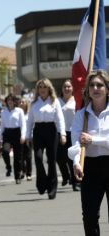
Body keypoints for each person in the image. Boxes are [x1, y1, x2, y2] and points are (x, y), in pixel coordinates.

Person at [68, 70, 109, 235]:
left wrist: (94, 140)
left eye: (100, 85)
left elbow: (89, 140)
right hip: (90, 168)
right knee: (90, 216)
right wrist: (77, 162)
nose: (95, 88)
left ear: (107, 89)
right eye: (92, 85)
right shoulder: (81, 115)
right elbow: (76, 143)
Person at [26, 78, 66, 200]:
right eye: (40, 87)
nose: (42, 89)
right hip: (38, 131)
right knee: (38, 158)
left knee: (52, 160)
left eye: (45, 87)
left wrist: (62, 134)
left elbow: (60, 119)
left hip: (51, 131)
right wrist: (27, 136)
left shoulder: (55, 102)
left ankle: (52, 188)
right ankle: (42, 183)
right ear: (37, 90)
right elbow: (29, 121)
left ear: (49, 89)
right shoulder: (33, 104)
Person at [57, 80, 79, 191]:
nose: (67, 89)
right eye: (65, 87)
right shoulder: (57, 101)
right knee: (59, 158)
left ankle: (75, 183)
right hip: (60, 132)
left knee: (72, 158)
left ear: (72, 88)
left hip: (72, 132)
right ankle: (65, 176)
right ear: (62, 89)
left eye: (69, 86)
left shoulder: (76, 101)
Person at [0, 94, 26, 184]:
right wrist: (0, 137)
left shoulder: (19, 111)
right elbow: (2, 125)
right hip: (7, 133)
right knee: (5, 152)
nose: (10, 102)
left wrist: (23, 135)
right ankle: (8, 167)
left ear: (15, 101)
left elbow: (23, 124)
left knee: (17, 157)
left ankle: (17, 175)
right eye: (8, 100)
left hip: (16, 133)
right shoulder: (3, 112)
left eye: (12, 100)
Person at [19, 98, 33, 181]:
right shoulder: (18, 113)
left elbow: (31, 126)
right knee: (21, 156)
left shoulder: (29, 114)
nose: (21, 103)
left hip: (28, 137)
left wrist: (29, 137)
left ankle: (29, 173)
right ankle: (23, 171)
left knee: (28, 156)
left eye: (23, 102)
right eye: (20, 102)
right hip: (20, 137)